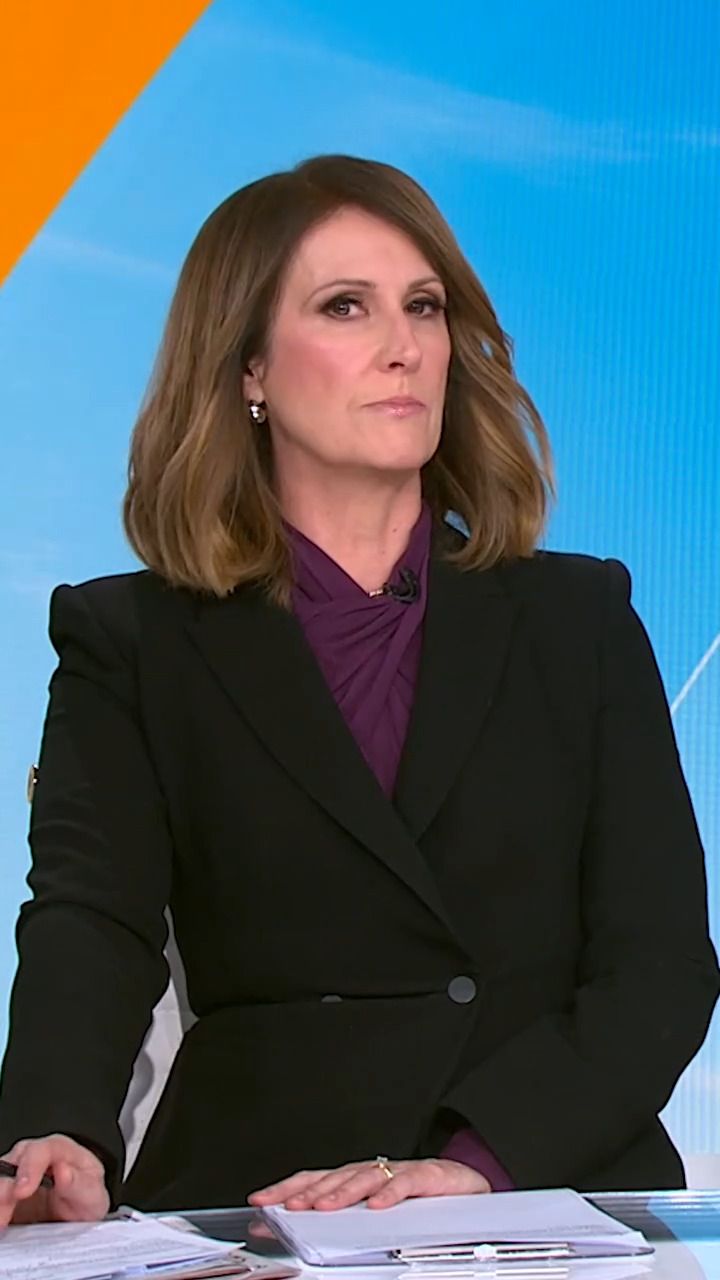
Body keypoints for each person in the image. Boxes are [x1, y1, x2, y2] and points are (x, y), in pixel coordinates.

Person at [0, 154, 717, 1227]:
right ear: (248, 366)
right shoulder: (129, 639)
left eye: (424, 307)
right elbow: (92, 920)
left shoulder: (580, 619)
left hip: (547, 1189)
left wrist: (477, 1163)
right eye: (346, 306)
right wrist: (56, 1124)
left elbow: (659, 963)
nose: (404, 346)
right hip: (260, 1195)